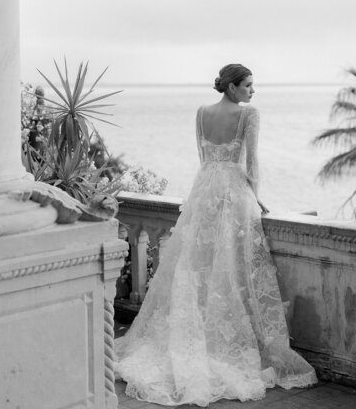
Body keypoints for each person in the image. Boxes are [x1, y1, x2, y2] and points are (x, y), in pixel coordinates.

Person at [114, 63, 317, 406]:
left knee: (195, 266)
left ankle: (197, 337)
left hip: (203, 191)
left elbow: (203, 157)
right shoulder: (248, 115)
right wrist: (255, 195)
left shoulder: (201, 112)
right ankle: (218, 342)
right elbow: (251, 164)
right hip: (233, 194)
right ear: (233, 87)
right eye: (249, 85)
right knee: (234, 268)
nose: (253, 91)